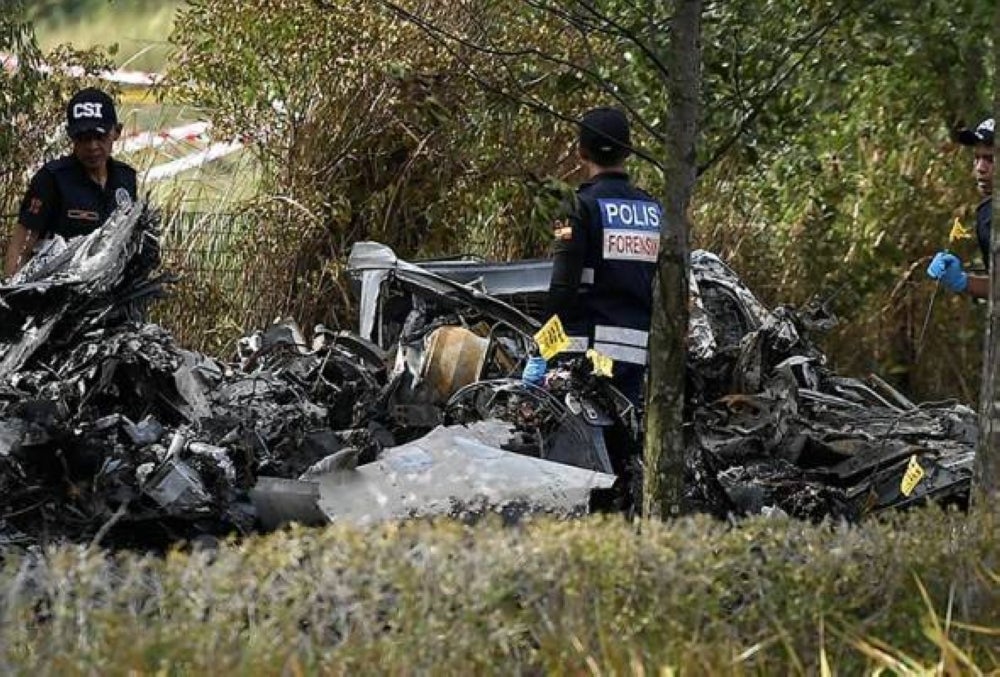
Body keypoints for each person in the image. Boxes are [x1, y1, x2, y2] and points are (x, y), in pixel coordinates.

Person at [541, 106, 663, 405]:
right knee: (621, 442)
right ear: (629, 151)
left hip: (587, 356)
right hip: (634, 356)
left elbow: (562, 288)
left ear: (581, 152)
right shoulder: (654, 210)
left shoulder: (575, 208)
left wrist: (542, 349)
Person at [4, 87, 137, 278]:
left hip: (110, 295)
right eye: (83, 138)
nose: (92, 147)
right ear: (70, 135)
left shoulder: (126, 178)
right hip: (57, 295)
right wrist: (13, 295)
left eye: (99, 137)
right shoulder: (52, 179)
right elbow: (22, 245)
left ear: (116, 132)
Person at [926, 117, 994, 298]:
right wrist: (960, 280)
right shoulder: (987, 214)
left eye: (990, 159)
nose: (980, 168)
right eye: (977, 157)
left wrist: (963, 281)